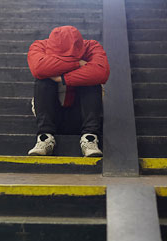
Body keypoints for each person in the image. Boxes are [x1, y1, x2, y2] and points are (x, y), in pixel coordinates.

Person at [27, 26, 110, 157]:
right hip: (52, 116)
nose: (66, 57)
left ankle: (90, 138)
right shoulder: (40, 45)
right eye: (62, 56)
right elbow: (38, 69)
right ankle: (45, 138)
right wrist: (77, 63)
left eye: (70, 55)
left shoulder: (91, 46)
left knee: (92, 81)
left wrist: (62, 78)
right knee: (42, 81)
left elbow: (101, 72)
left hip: (82, 116)